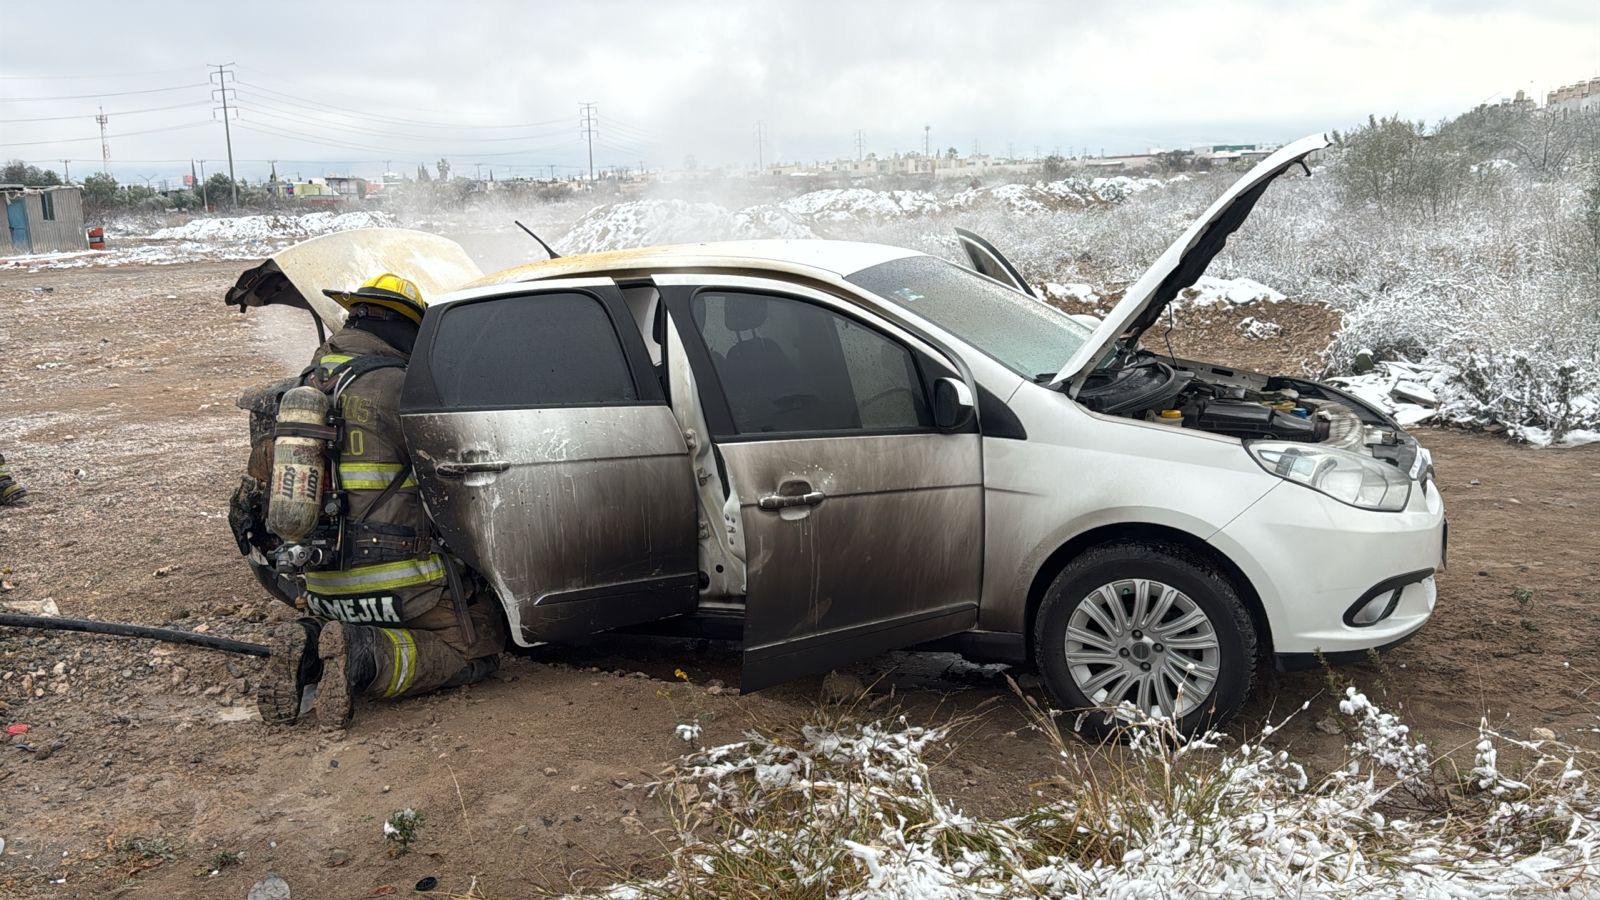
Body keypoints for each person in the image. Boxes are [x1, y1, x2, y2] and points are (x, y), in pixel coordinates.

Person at [257, 273, 505, 727]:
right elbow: (461, 477)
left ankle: (310, 644)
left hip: (321, 585)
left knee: (336, 625)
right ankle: (362, 657)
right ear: (407, 327)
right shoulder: (402, 388)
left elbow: (257, 495)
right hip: (400, 584)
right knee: (474, 650)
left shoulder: (298, 391)